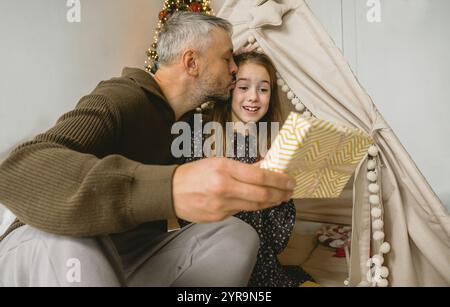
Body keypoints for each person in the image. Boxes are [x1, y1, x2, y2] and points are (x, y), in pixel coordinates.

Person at [0, 12, 295, 287]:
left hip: (125, 254)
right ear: (191, 62)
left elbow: (232, 139)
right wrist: (169, 189)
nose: (234, 68)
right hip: (48, 248)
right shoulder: (121, 98)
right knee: (76, 241)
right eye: (227, 58)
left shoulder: (191, 123)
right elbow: (17, 169)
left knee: (236, 235)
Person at [177, 51, 314, 287]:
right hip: (213, 260)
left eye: (263, 89)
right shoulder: (200, 132)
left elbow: (275, 240)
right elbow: (188, 216)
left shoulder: (271, 145)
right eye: (243, 87)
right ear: (230, 89)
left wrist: (279, 192)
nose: (253, 98)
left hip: (262, 267)